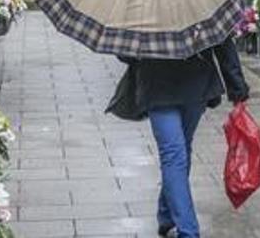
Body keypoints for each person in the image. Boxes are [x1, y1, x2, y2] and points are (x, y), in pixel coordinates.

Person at [107, 37, 250, 238]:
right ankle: (188, 231)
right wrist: (237, 86)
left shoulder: (139, 7)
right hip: (191, 82)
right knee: (177, 153)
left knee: (176, 152)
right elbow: (222, 39)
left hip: (163, 84)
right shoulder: (198, 4)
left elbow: (125, 54)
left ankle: (167, 214)